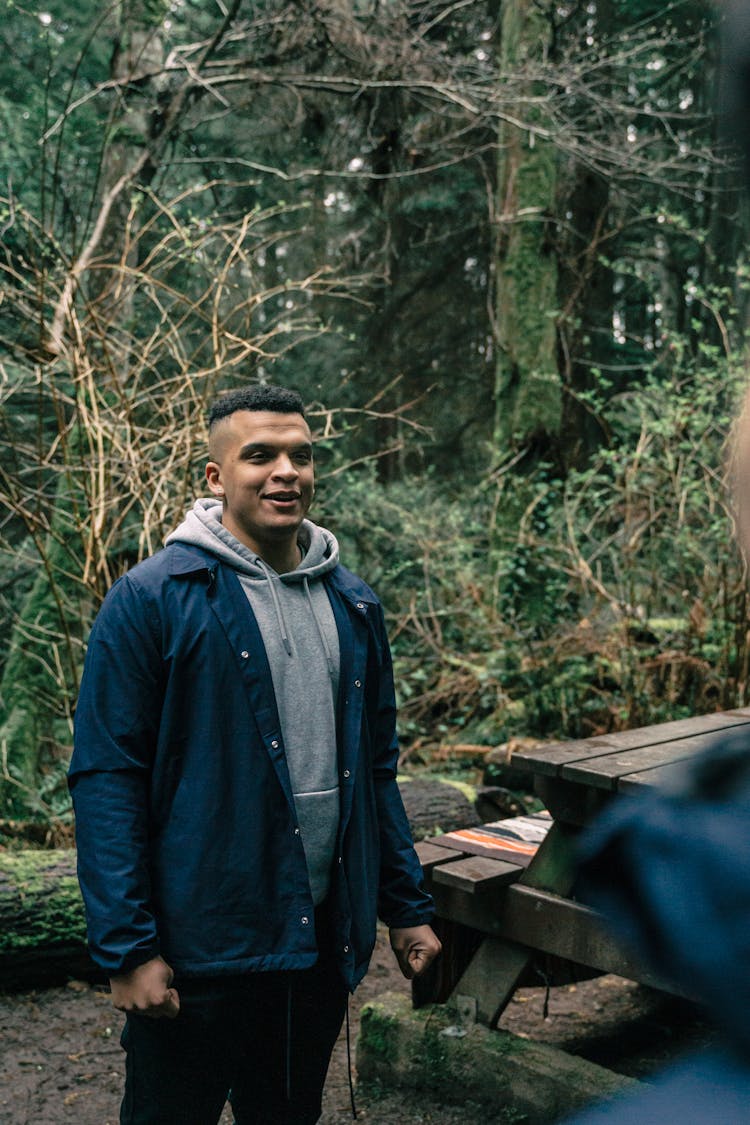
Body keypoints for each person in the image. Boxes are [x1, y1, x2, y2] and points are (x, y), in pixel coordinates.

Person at [68, 384, 441, 1125]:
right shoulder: (152, 599)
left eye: (301, 456)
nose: (286, 472)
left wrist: (405, 906)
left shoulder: (354, 603)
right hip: (198, 950)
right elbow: (107, 777)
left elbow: (374, 772)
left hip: (315, 947)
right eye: (260, 455)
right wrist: (126, 948)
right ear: (215, 477)